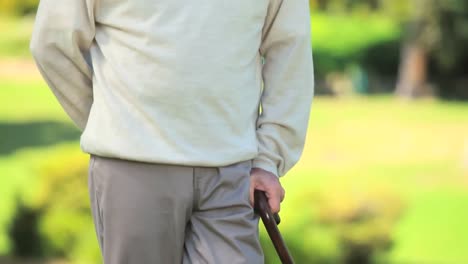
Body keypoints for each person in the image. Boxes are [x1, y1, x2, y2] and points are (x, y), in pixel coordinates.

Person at [30, 0, 314, 263]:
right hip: (133, 167)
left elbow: (290, 49)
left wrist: (269, 158)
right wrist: (110, 119)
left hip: (233, 176)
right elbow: (52, 41)